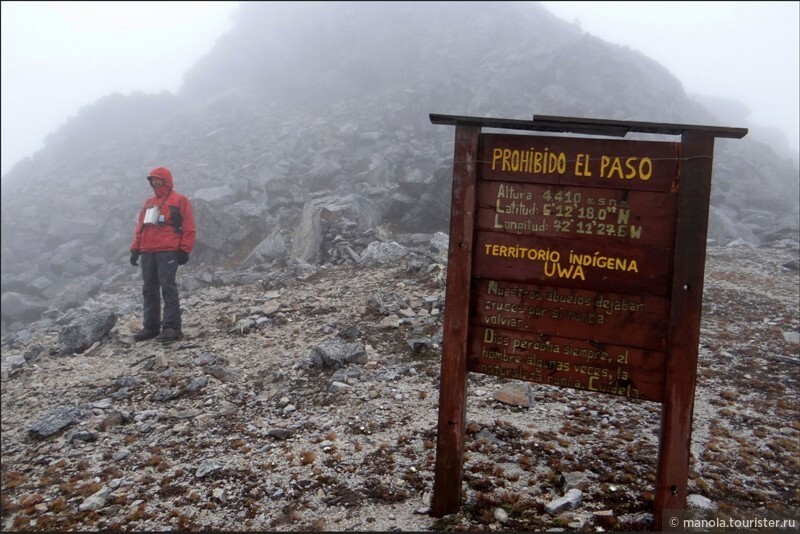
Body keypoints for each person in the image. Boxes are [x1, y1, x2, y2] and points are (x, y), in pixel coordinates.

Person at [129, 166, 196, 343]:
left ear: (166, 180)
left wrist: (184, 249)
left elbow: (189, 227)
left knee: (167, 286)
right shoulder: (149, 202)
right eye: (152, 180)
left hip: (167, 250)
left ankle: (172, 327)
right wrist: (135, 249)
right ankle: (151, 327)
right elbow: (141, 227)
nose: (154, 182)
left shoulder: (179, 200)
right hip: (148, 251)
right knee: (149, 289)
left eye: (157, 179)